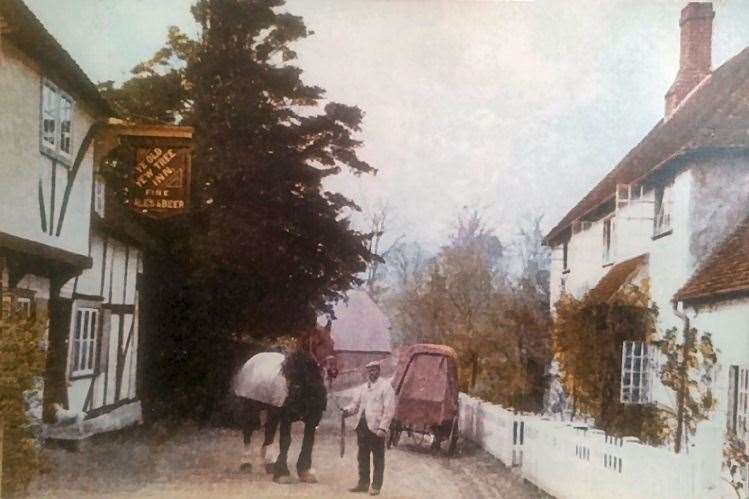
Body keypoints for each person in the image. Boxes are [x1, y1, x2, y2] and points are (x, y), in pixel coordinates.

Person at [341, 360, 395, 496]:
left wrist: (383, 428)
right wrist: (346, 411)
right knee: (362, 456)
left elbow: (389, 410)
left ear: (379, 371)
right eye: (370, 370)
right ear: (367, 372)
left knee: (378, 458)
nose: (372, 372)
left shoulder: (386, 387)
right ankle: (363, 483)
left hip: (376, 428)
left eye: (374, 369)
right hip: (362, 426)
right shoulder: (363, 388)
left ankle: (376, 486)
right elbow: (355, 405)